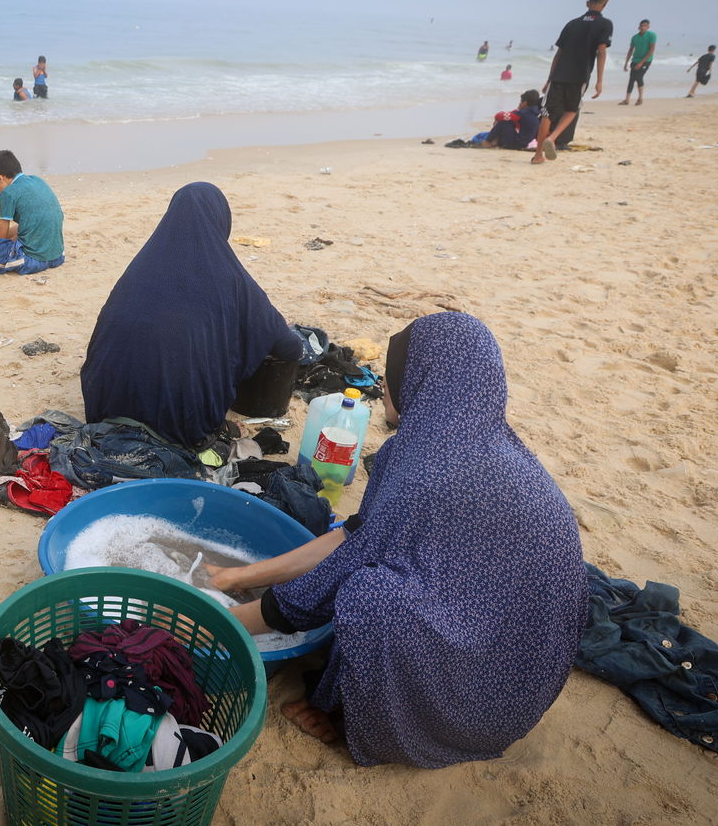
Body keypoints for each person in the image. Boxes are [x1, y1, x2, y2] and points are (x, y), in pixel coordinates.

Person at [207, 312, 585, 768]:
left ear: (419, 381)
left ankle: (359, 726)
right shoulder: (471, 443)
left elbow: (332, 580)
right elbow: (353, 536)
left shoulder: (427, 467)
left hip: (477, 706)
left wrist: (218, 620)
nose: (383, 384)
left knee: (369, 597)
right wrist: (237, 575)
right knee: (371, 577)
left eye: (391, 376)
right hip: (518, 674)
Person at [79, 182, 303, 449]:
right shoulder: (231, 277)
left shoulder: (139, 268)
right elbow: (290, 347)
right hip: (182, 426)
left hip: (103, 409)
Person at [532, 0, 613, 164]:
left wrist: (549, 79)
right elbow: (601, 52)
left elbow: (558, 54)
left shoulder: (572, 23)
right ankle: (552, 138)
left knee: (547, 113)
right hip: (580, 75)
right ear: (605, 4)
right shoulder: (605, 24)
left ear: (587, 3)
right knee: (572, 109)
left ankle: (538, 155)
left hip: (559, 75)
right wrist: (599, 80)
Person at [620, 19, 656, 105]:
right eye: (642, 26)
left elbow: (651, 50)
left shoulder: (652, 35)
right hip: (635, 60)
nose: (643, 27)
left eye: (645, 26)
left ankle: (640, 98)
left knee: (639, 77)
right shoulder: (635, 37)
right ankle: (627, 100)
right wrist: (626, 63)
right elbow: (630, 50)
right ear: (639, 27)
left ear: (648, 27)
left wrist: (641, 63)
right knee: (631, 79)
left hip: (646, 60)